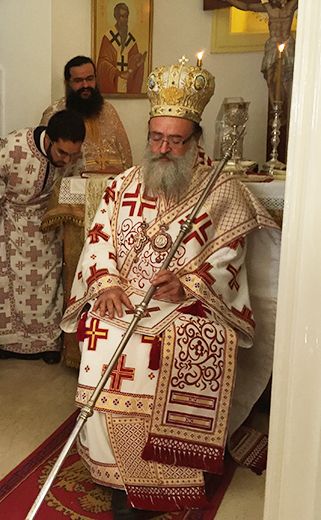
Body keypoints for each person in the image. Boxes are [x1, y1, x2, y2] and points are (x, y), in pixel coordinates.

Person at [60, 57, 280, 517]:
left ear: (195, 139)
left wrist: (188, 284)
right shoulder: (122, 185)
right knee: (104, 334)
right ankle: (116, 471)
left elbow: (230, 259)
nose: (162, 148)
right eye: (156, 137)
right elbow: (98, 241)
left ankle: (170, 469)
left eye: (175, 140)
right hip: (125, 297)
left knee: (167, 347)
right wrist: (106, 284)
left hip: (188, 305)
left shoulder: (221, 191)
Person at [0, 110, 86, 365]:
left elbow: (76, 181)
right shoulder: (14, 145)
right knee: (10, 286)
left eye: (73, 154)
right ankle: (9, 342)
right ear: (49, 139)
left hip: (46, 223)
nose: (67, 160)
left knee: (47, 286)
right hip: (10, 223)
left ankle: (47, 342)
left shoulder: (74, 155)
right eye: (62, 153)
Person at [40, 55, 132, 174]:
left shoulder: (109, 110)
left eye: (90, 79)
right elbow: (46, 161)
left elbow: (125, 154)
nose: (85, 85)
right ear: (67, 83)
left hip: (112, 183)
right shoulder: (54, 113)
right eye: (78, 80)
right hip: (75, 183)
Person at [222, 0, 298, 106]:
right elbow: (246, 6)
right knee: (270, 78)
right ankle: (275, 106)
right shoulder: (268, 7)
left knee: (286, 78)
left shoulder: (291, 5)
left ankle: (288, 107)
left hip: (287, 44)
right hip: (273, 45)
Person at [97, 2, 147, 94]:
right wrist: (118, 73)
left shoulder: (131, 41)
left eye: (126, 17)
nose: (125, 20)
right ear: (116, 17)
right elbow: (102, 64)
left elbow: (133, 62)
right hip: (112, 88)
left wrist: (138, 64)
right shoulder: (108, 38)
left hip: (128, 88)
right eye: (122, 17)